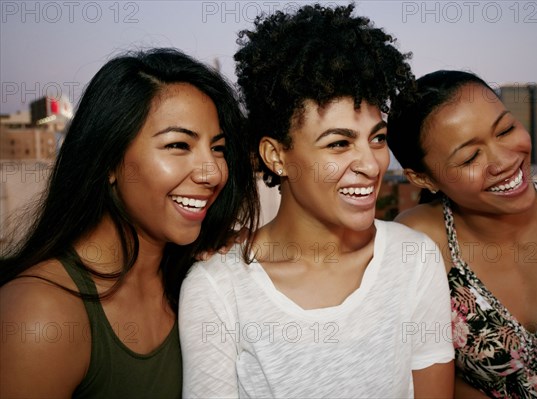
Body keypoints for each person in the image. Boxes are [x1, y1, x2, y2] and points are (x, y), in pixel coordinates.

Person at [179, 4, 454, 398]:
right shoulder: (218, 289)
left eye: (376, 138)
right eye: (339, 143)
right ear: (276, 156)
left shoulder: (412, 260)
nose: (371, 164)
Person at [0, 48, 258, 398]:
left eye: (218, 148)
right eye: (179, 145)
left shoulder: (195, 278)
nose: (212, 172)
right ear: (108, 160)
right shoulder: (41, 316)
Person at [388, 70, 537, 398]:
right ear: (422, 179)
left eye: (505, 129)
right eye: (471, 157)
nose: (504, 160)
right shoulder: (418, 241)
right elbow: (415, 373)